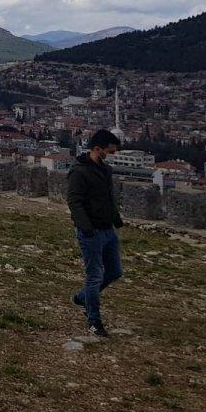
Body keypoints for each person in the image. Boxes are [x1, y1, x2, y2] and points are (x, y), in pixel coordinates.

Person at [66, 128, 124, 337]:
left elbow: (108, 198)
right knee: (94, 276)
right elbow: (74, 201)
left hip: (107, 230)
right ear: (97, 148)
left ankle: (82, 298)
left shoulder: (105, 170)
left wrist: (116, 219)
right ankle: (94, 321)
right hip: (91, 232)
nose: (110, 154)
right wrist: (86, 228)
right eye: (108, 151)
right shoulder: (79, 171)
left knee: (115, 271)